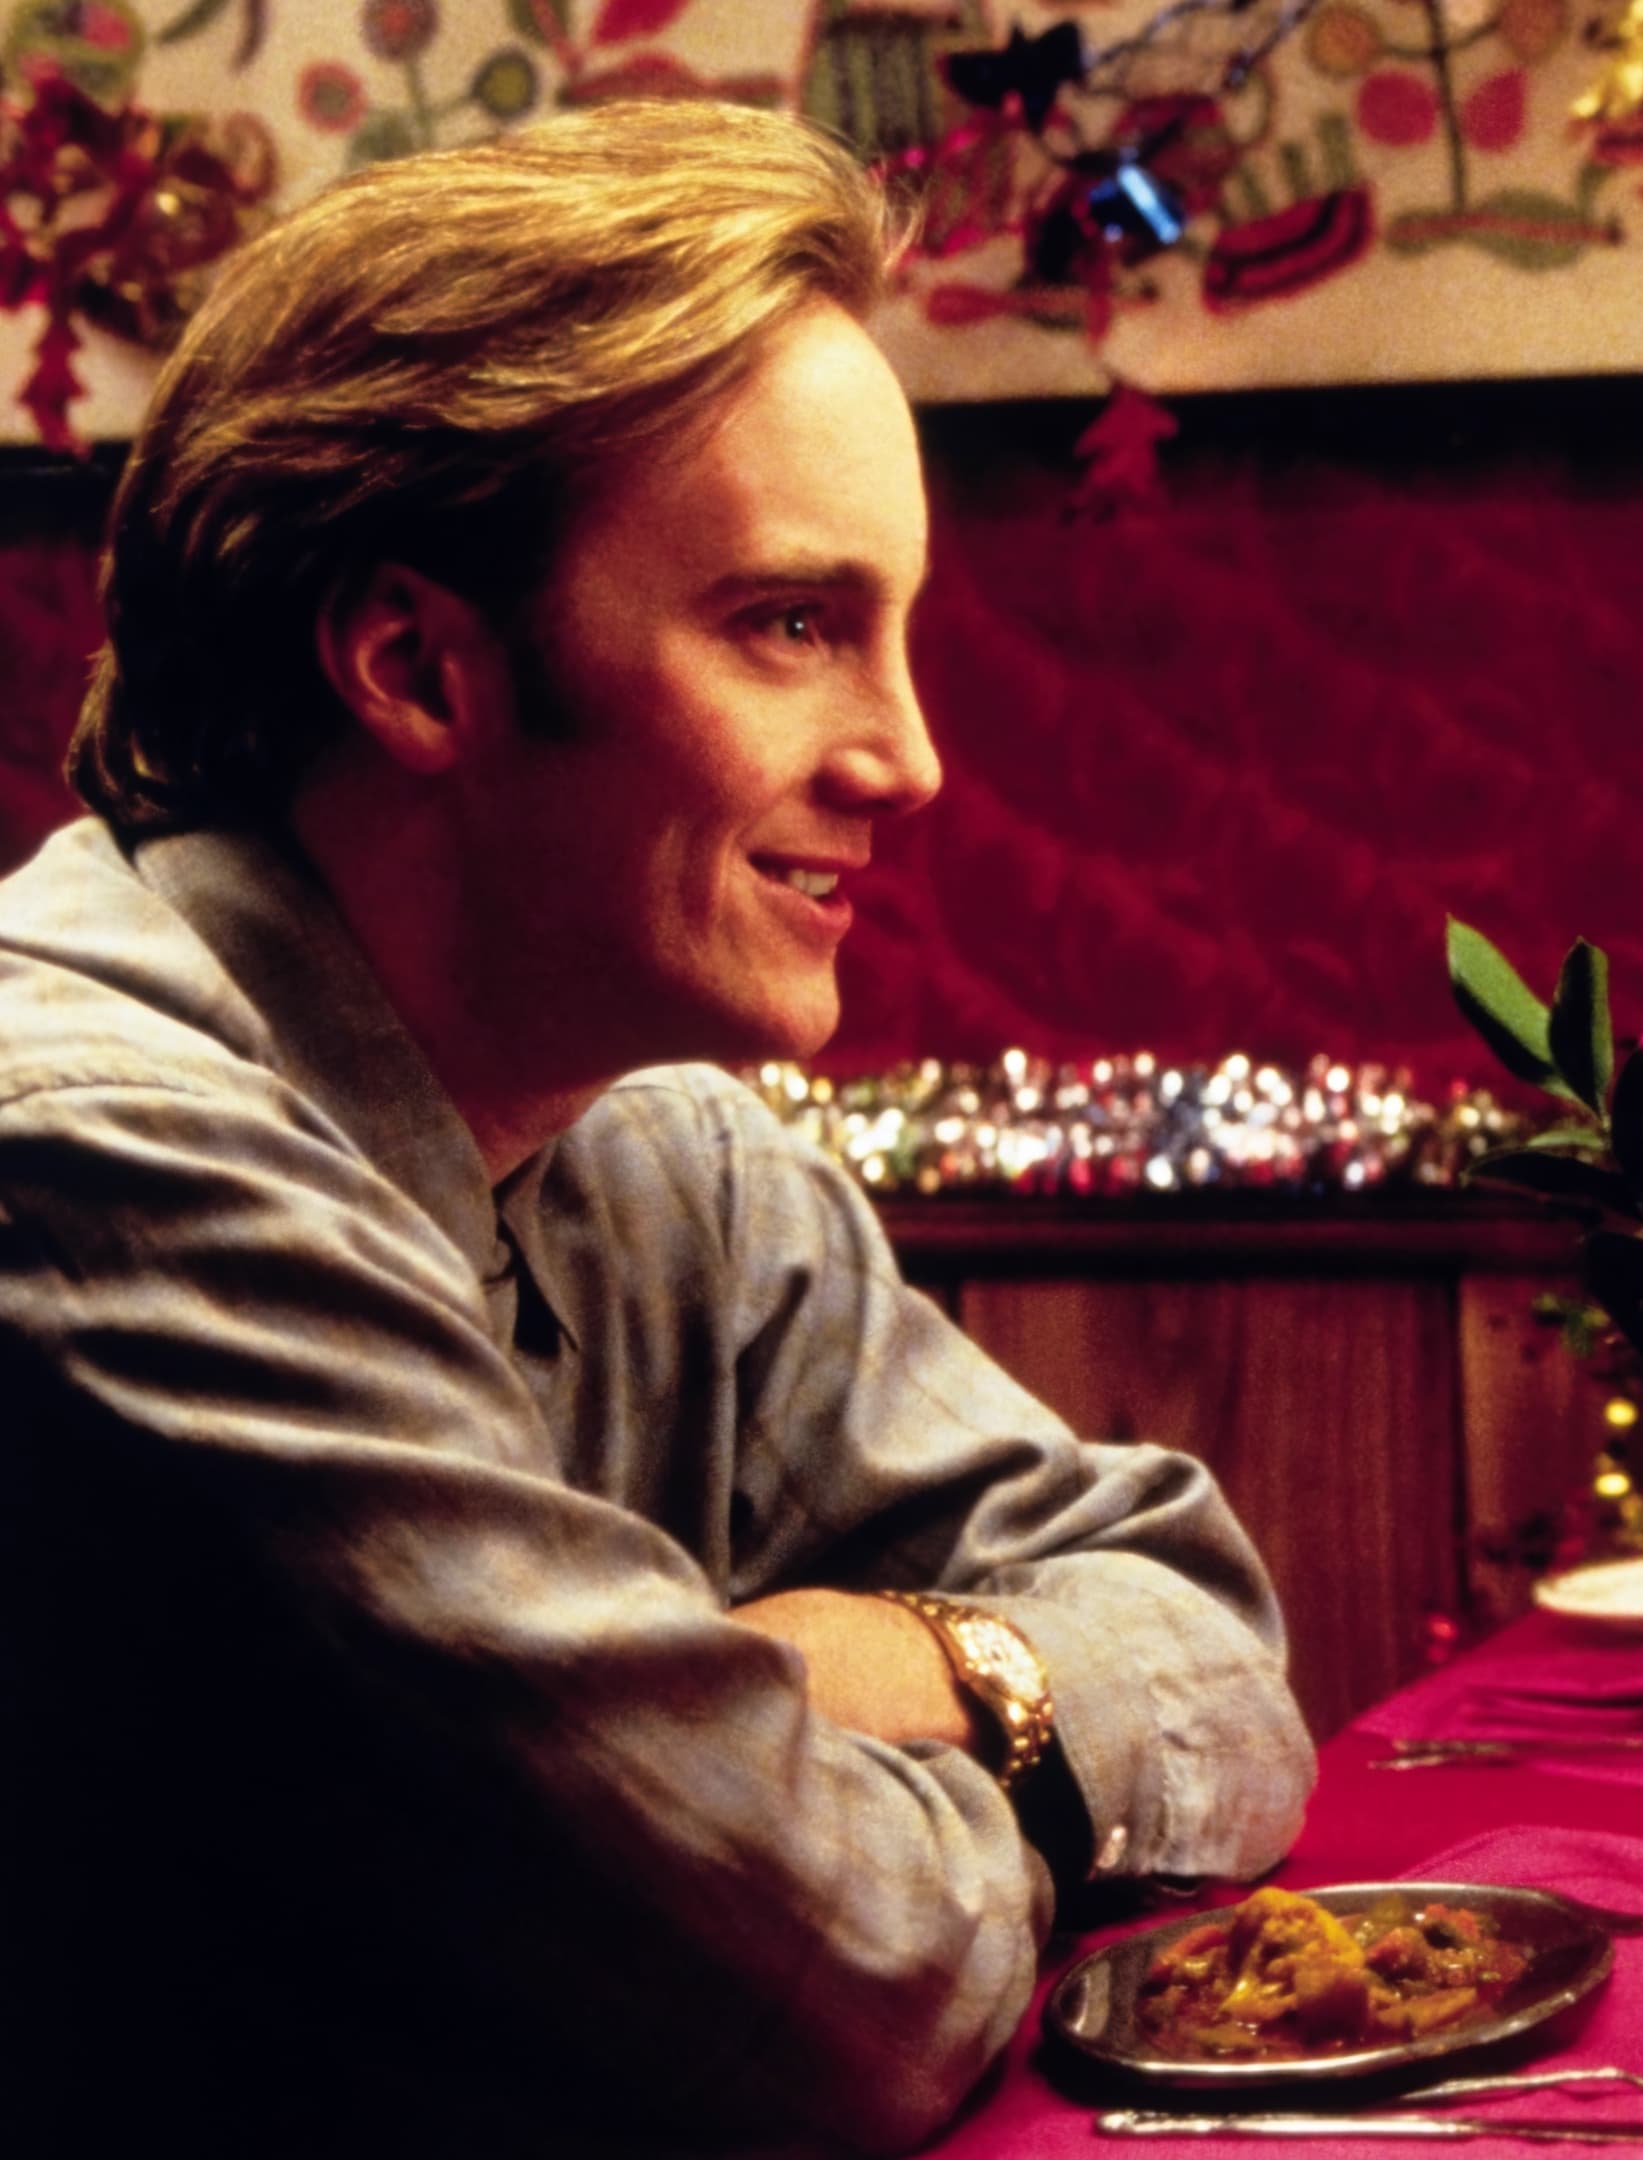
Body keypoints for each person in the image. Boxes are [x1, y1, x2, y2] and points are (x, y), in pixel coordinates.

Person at [0, 103, 1317, 2155]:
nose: (911, 757)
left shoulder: (660, 1138)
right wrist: (954, 1777)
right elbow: (831, 1992)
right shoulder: (87, 1161)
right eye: (791, 624)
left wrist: (899, 1673)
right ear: (415, 665)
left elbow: (1214, 1652)